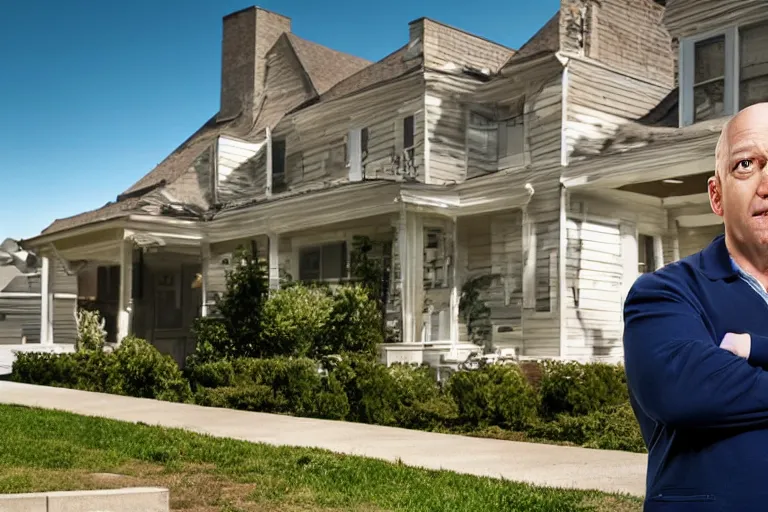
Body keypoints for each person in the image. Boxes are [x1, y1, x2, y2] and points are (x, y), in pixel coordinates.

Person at [623, 102, 768, 511]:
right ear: (716, 195)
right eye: (746, 164)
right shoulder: (664, 292)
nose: (766, 183)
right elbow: (683, 390)